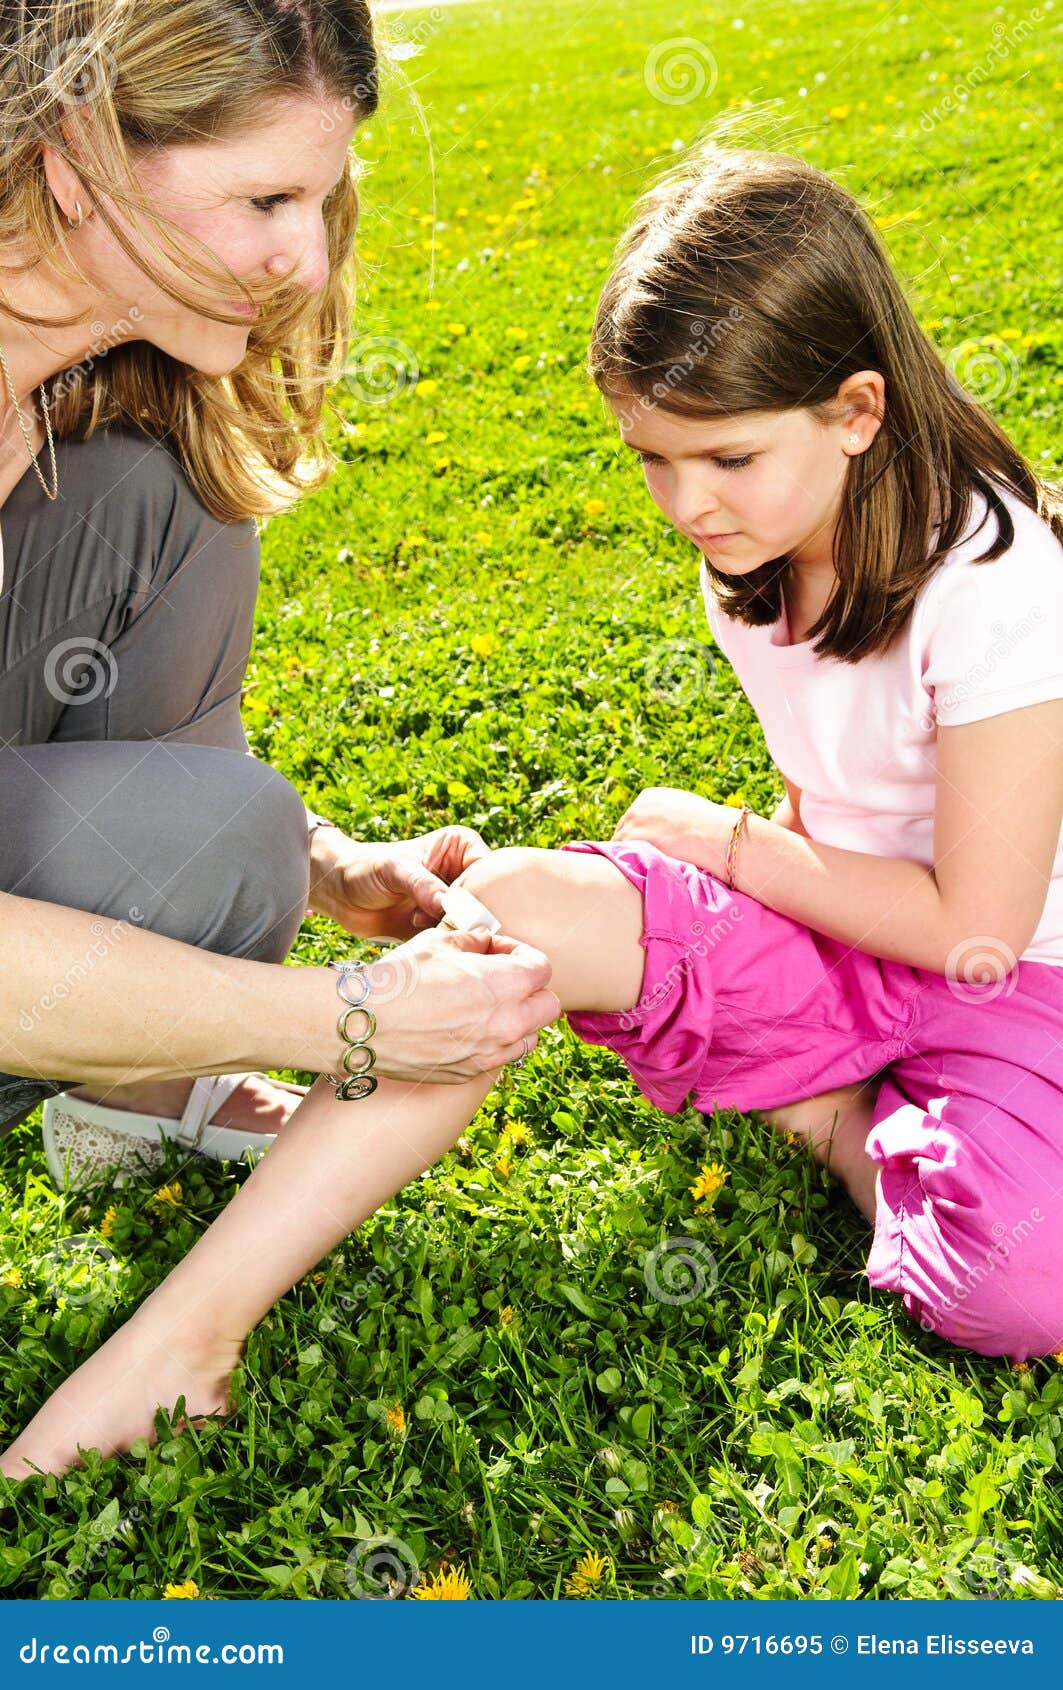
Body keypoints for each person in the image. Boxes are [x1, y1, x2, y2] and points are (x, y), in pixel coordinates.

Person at [7, 133, 1063, 1479]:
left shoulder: (995, 582)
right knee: (509, 909)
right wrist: (764, 880)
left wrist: (725, 841)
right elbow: (842, 795)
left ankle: (835, 1114)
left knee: (1026, 1281)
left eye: (726, 458)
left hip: (1005, 974)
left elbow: (976, 919)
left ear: (857, 410)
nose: (688, 504)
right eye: (653, 459)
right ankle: (180, 1341)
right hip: (850, 941)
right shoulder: (758, 544)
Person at [0, 0, 560, 1479]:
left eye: (320, 197)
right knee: (218, 830)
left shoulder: (63, 392)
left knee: (165, 494)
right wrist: (348, 1023)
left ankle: (127, 1086)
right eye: (262, 199)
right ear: (77, 159)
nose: (304, 258)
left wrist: (316, 869)